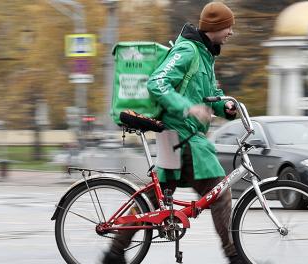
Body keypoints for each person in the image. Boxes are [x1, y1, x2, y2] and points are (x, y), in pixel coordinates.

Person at [103, 2, 242, 263]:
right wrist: (188, 108)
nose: (231, 33)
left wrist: (227, 106)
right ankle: (234, 257)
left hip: (184, 137)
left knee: (156, 197)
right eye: (229, 27)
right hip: (181, 136)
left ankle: (114, 253)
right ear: (216, 26)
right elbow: (157, 82)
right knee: (219, 193)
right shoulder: (188, 51)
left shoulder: (205, 56)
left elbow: (210, 96)